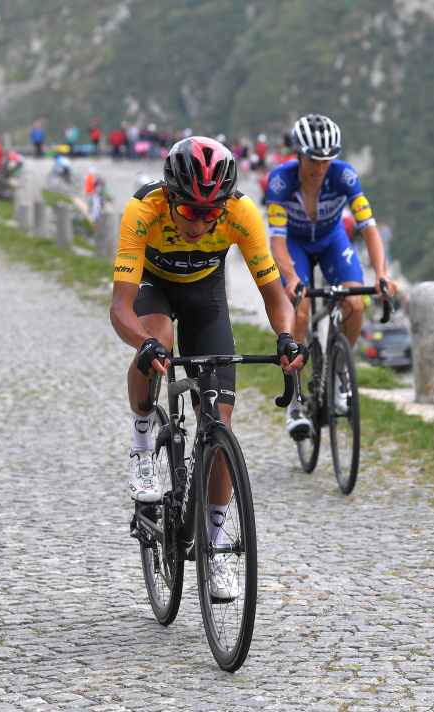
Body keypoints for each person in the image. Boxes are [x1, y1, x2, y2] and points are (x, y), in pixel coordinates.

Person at [109, 136, 304, 600]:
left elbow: (275, 297)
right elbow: (120, 308)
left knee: (220, 425)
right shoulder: (144, 209)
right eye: (191, 211)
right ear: (171, 198)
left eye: (211, 211)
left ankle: (216, 544)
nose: (201, 222)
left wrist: (286, 338)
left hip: (205, 295)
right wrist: (144, 343)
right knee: (160, 341)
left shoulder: (240, 213)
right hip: (154, 285)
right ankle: (142, 440)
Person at [265, 113, 397, 438]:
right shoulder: (281, 181)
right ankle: (295, 401)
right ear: (299, 153)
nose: (320, 167)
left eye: (327, 160)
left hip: (331, 240)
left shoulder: (345, 177)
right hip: (294, 244)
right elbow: (277, 242)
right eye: (314, 159)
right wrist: (292, 278)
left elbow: (368, 228)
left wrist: (381, 273)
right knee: (299, 310)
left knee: (355, 304)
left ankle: (339, 373)